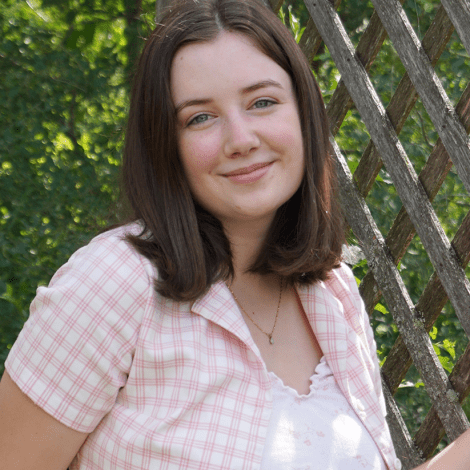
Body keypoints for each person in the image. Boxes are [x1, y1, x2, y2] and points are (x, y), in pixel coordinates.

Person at [1, 0, 469, 469]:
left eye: (262, 102)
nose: (241, 138)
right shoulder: (115, 283)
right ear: (165, 143)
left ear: (303, 113)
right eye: (200, 117)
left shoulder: (335, 297)